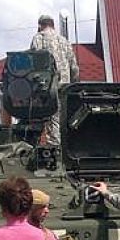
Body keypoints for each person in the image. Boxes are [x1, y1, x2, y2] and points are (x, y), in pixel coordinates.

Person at [30, 14, 80, 147]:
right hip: (65, 87)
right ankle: (67, 147)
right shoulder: (64, 41)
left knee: (50, 119)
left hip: (47, 87)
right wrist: (74, 85)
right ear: (53, 25)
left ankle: (55, 149)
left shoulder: (38, 38)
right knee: (64, 118)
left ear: (40, 25)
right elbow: (74, 67)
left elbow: (34, 62)